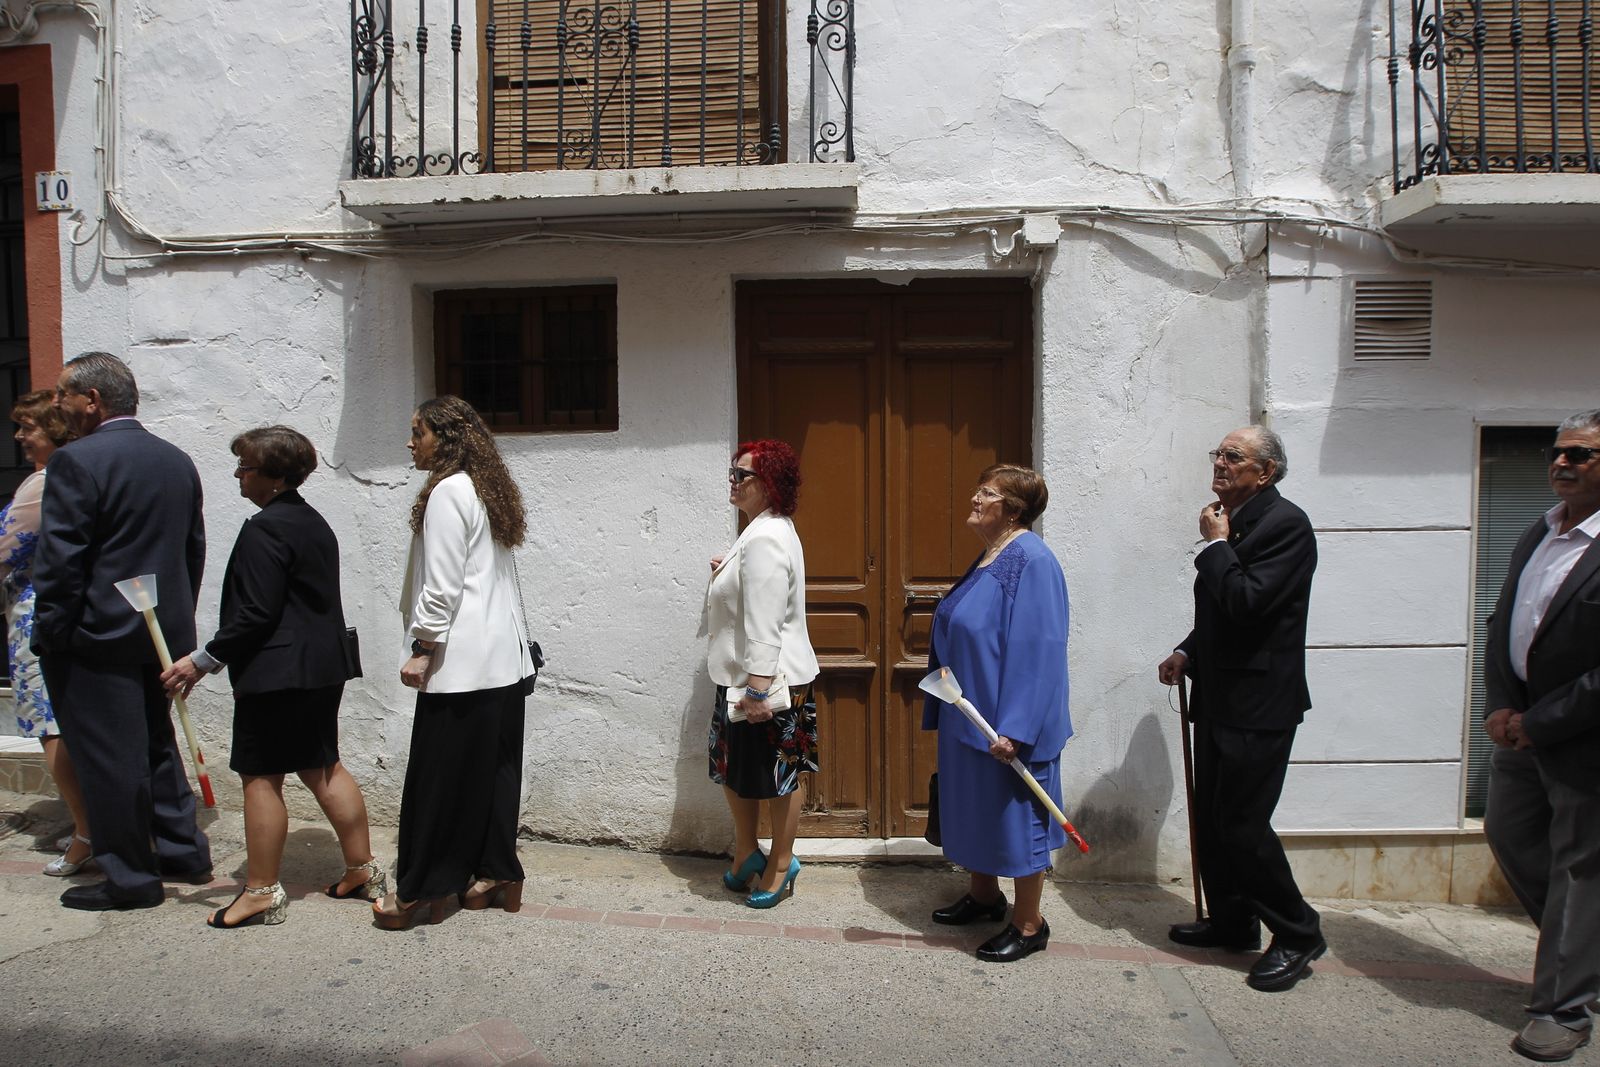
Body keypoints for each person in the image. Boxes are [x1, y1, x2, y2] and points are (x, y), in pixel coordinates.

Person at [160, 426, 381, 929]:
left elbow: (256, 612)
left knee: (261, 776)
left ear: (275, 476)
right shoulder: (313, 522)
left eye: (246, 467)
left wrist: (202, 659)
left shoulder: (266, 528)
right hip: (322, 666)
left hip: (279, 672)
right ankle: (362, 870)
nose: (238, 474)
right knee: (322, 764)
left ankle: (260, 890)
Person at [32, 352, 212, 911]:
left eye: (64, 394)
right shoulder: (175, 459)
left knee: (110, 758)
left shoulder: (76, 462)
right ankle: (183, 851)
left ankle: (130, 878)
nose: (57, 404)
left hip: (95, 636)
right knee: (156, 745)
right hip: (158, 630)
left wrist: (52, 632)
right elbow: (192, 550)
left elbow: (63, 560)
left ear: (93, 400)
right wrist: (180, 618)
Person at [1156, 426, 1323, 992]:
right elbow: (1222, 617)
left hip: (1260, 705)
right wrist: (1187, 651)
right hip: (1221, 698)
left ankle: (1298, 933)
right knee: (1213, 818)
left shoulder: (1286, 525)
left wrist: (1216, 547)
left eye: (1234, 456)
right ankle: (1233, 922)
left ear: (1266, 471)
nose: (1221, 463)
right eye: (1219, 454)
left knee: (1244, 825)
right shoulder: (1235, 522)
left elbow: (1250, 602)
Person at [376, 396, 536, 930]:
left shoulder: (448, 492)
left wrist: (422, 650)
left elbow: (441, 586)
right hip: (503, 664)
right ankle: (493, 874)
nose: (409, 442)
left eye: (417, 431)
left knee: (437, 781)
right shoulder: (486, 490)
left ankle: (421, 891)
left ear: (444, 438)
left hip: (461, 666)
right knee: (493, 773)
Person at [1482, 410, 1600, 1063]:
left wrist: (1543, 720)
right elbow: (1506, 619)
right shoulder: (1540, 530)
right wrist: (1501, 704)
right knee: (1510, 833)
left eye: (1582, 454)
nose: (1563, 463)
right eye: (1560, 452)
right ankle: (1582, 956)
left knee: (1581, 869)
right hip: (1522, 732)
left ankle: (1566, 1007)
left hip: (1581, 740)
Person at [922, 464, 1070, 962]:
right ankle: (984, 897)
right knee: (975, 809)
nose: (975, 497)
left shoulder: (1033, 559)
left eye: (986, 492)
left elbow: (1040, 648)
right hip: (970, 716)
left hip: (1006, 723)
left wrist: (1018, 728)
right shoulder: (992, 554)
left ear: (1013, 509)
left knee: (1018, 816)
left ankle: (1029, 923)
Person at [701, 440, 819, 909]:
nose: (733, 482)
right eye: (731, 473)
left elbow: (768, 619)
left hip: (766, 680)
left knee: (779, 775)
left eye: (742, 475)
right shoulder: (759, 531)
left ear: (769, 483)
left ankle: (780, 862)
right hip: (742, 676)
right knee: (736, 769)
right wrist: (725, 571)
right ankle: (747, 851)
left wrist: (757, 688)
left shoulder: (766, 537)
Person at [1, 391, 92, 877]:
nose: (19, 436)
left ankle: (86, 832)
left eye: (28, 427)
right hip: (60, 612)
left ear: (54, 431)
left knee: (49, 725)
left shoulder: (44, 482)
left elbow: (6, 548)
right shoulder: (74, 475)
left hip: (38, 616)